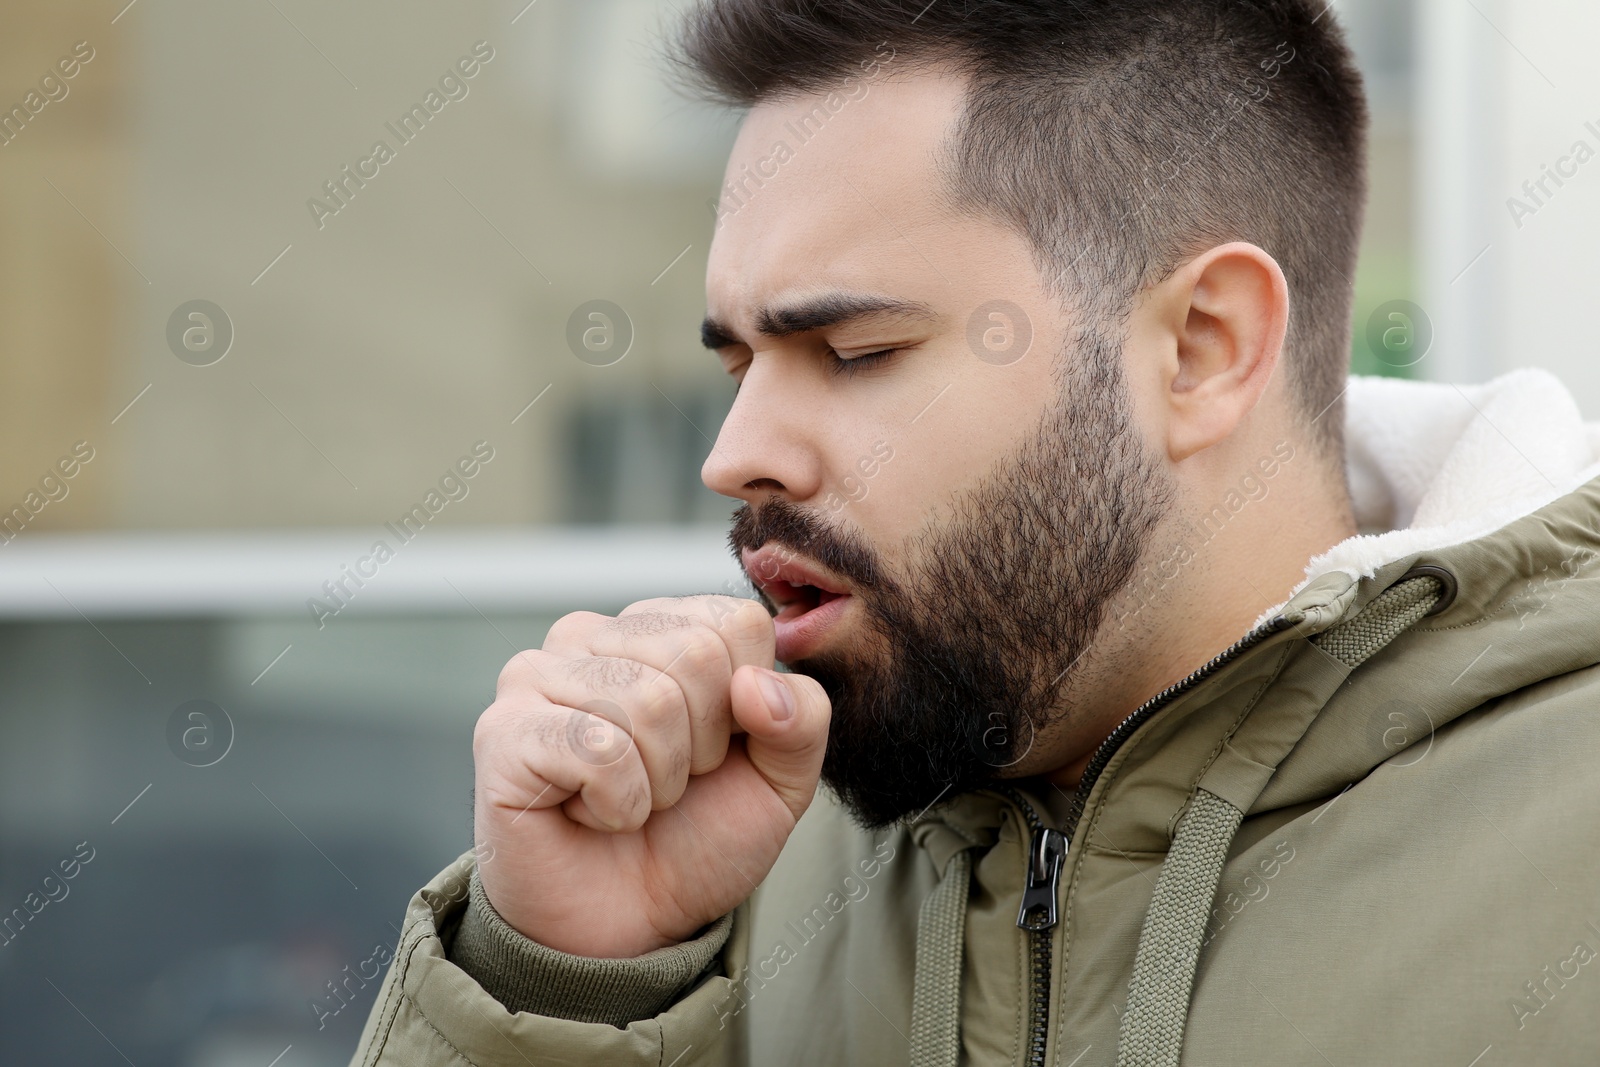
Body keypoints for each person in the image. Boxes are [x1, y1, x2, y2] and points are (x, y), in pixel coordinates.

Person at [349, 2, 1600, 1064]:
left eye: (854, 351)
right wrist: (561, 989)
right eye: (740, 361)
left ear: (1203, 347)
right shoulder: (717, 849)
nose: (734, 453)